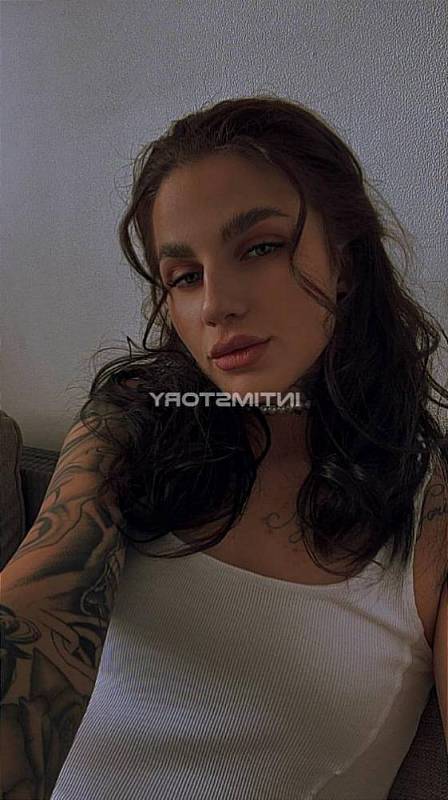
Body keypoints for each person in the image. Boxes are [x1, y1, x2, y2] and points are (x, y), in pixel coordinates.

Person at [2, 94, 447, 800]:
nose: (215, 305)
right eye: (184, 276)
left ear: (346, 262)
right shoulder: (129, 427)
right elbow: (38, 608)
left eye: (260, 247)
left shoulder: (428, 508)